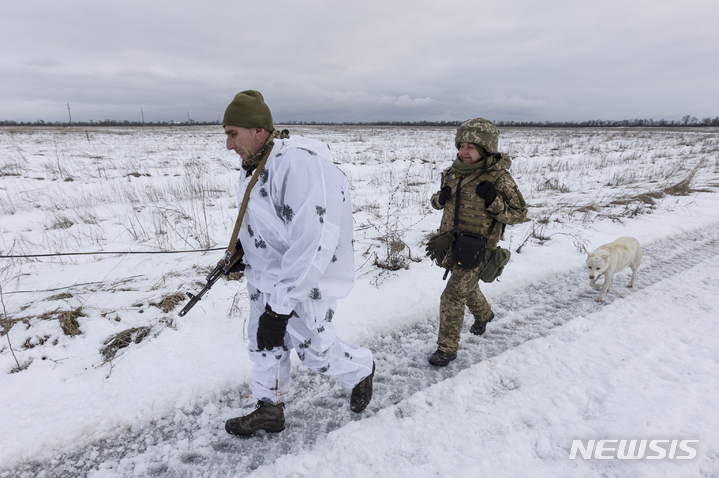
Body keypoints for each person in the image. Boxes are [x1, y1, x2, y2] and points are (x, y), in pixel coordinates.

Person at [221, 90, 375, 436]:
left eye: (233, 134)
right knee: (262, 343)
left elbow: (313, 241)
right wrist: (244, 252)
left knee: (317, 354)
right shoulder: (256, 164)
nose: (228, 145)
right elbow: (269, 222)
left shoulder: (298, 165)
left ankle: (361, 368)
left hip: (303, 283)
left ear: (258, 130)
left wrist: (282, 306)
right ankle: (269, 408)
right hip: (265, 278)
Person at [425, 118, 528, 367]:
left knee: (452, 296)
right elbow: (436, 202)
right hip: (450, 244)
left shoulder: (499, 179)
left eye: (471, 147)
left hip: (478, 248)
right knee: (465, 287)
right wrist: (440, 198)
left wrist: (494, 201)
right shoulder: (451, 173)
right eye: (461, 145)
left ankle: (446, 349)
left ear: (485, 149)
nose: (463, 151)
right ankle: (484, 314)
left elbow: (520, 215)